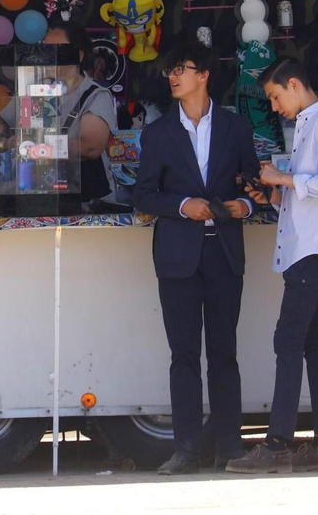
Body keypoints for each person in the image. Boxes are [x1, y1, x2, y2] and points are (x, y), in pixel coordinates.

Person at [130, 38, 260, 475]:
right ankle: (185, 449)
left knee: (224, 351)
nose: (173, 76)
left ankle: (231, 448)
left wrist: (250, 205)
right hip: (177, 254)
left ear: (203, 75)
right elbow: (143, 193)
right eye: (170, 70)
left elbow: (253, 183)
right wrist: (184, 206)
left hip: (223, 250)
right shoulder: (158, 132)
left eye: (181, 68)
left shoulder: (235, 127)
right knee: (183, 354)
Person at [226, 57, 318, 474]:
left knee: (288, 340)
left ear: (294, 85)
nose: (275, 106)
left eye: (276, 97)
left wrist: (282, 179)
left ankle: (278, 442)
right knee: (315, 344)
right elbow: (310, 190)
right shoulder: (309, 125)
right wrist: (275, 194)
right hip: (306, 245)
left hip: (312, 247)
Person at [0, 25, 119, 210]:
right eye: (46, 48)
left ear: (78, 55)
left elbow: (89, 147)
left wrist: (33, 146)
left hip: (85, 203)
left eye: (58, 49)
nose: (48, 55)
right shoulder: (37, 91)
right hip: (38, 198)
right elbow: (5, 121)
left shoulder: (96, 95)